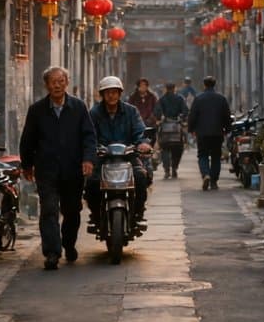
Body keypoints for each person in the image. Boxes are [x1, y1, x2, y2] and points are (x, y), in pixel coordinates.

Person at [19, 66, 97, 270]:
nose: (57, 85)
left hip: (73, 169)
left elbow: (89, 136)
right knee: (49, 210)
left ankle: (68, 244)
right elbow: (28, 139)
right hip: (47, 170)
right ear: (46, 85)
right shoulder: (37, 110)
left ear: (67, 83)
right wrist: (27, 164)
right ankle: (52, 252)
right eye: (53, 81)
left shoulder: (79, 107)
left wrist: (88, 159)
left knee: (72, 211)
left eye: (61, 81)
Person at [87, 75, 152, 223]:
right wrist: (92, 148)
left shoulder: (131, 111)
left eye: (114, 92)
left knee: (141, 177)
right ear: (102, 94)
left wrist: (143, 143)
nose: (111, 95)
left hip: (128, 155)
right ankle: (96, 214)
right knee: (91, 182)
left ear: (120, 93)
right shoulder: (94, 113)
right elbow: (89, 135)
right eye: (107, 92)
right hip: (103, 157)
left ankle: (138, 211)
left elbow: (140, 131)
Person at [187, 75, 231, 191]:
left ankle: (205, 174)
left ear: (204, 85)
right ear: (214, 84)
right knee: (216, 157)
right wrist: (227, 130)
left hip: (202, 133)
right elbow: (227, 116)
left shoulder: (198, 98)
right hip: (217, 132)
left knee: (202, 155)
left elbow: (192, 116)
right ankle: (214, 181)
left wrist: (191, 129)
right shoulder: (221, 99)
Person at [153, 82, 188, 179]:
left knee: (164, 148)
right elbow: (185, 111)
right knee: (178, 148)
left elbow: (157, 111)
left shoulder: (162, 99)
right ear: (174, 88)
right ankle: (174, 168)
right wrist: (182, 118)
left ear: (165, 88)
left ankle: (166, 170)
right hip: (177, 126)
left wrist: (160, 118)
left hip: (165, 126)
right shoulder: (180, 99)